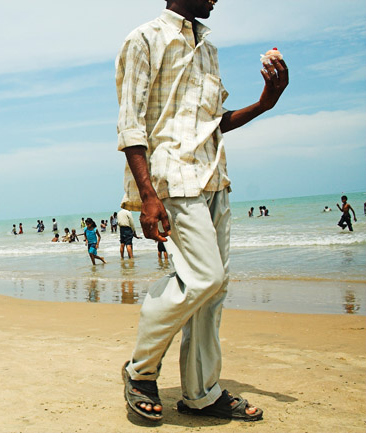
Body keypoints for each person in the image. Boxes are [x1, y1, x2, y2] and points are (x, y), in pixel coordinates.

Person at [116, 0, 288, 422]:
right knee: (202, 277)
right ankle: (140, 371)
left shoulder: (207, 46)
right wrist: (148, 195)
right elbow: (130, 125)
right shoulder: (145, 39)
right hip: (171, 179)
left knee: (215, 290)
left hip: (214, 177)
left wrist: (265, 103)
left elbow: (215, 122)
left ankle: (201, 393)